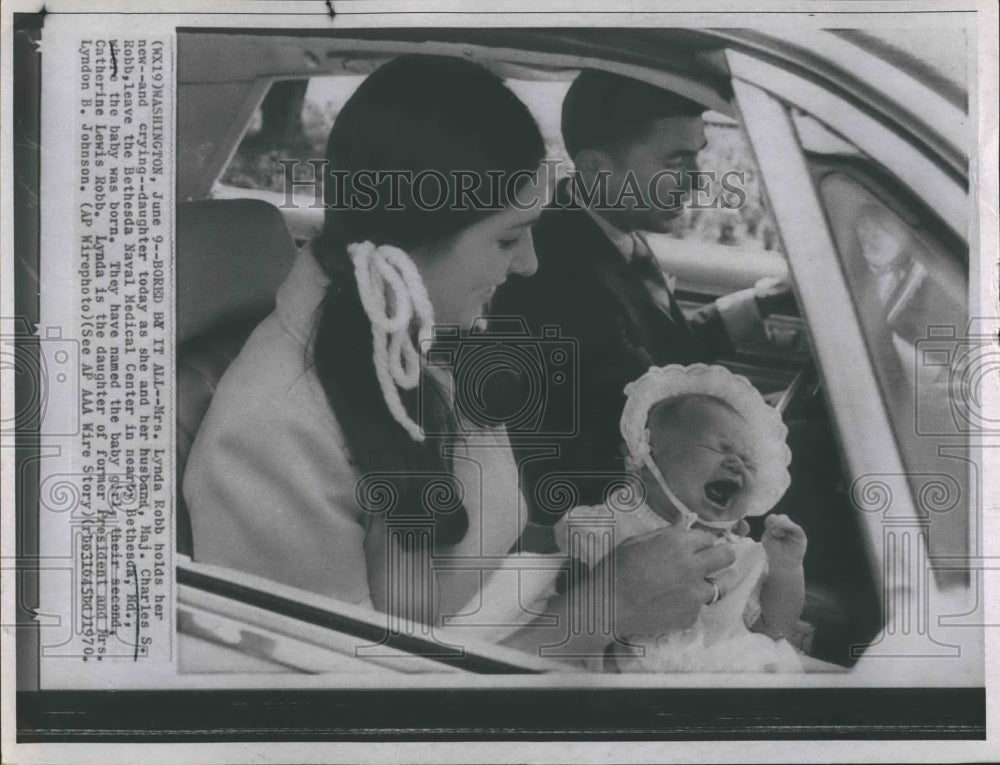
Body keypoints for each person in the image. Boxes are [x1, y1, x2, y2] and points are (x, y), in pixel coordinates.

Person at [183, 55, 737, 658]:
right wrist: (606, 607)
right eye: (506, 237)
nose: (528, 263)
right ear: (413, 233)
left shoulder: (432, 339)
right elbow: (340, 709)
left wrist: (609, 551)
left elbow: (488, 547)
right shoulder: (271, 432)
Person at [490, 69, 789, 522]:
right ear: (595, 167)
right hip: (608, 518)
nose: (695, 181)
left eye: (696, 157)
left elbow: (667, 349)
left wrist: (764, 301)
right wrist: (768, 428)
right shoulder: (557, 270)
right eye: (675, 162)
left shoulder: (610, 227)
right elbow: (657, 413)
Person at [555, 364, 809, 672]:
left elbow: (774, 628)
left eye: (749, 463)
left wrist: (787, 568)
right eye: (720, 447)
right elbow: (570, 596)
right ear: (648, 459)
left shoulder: (739, 552)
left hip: (718, 671)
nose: (737, 465)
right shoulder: (612, 525)